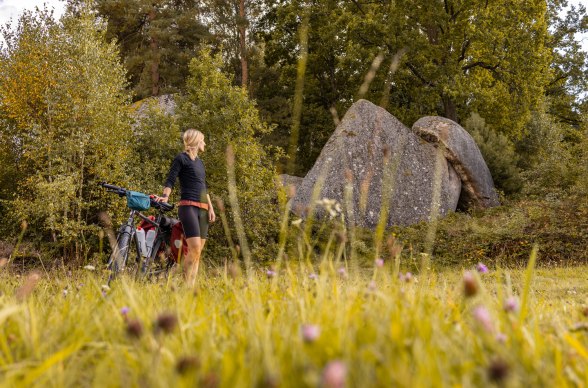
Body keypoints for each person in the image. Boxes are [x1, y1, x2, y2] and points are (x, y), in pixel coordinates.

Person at [157, 129, 215, 285]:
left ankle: (190, 287)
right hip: (188, 206)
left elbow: (203, 186)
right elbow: (171, 180)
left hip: (203, 208)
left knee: (198, 252)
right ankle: (185, 279)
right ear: (196, 141)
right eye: (203, 140)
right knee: (194, 248)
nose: (204, 143)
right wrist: (165, 196)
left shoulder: (200, 163)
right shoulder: (181, 158)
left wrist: (210, 207)